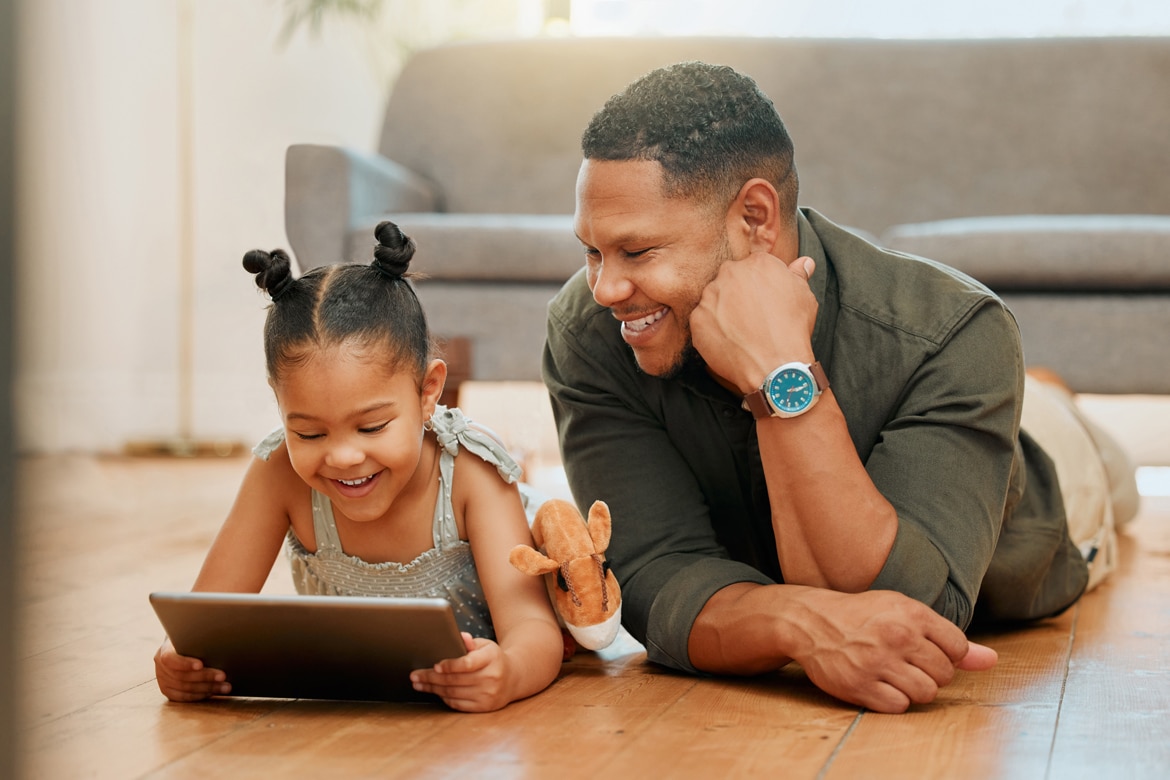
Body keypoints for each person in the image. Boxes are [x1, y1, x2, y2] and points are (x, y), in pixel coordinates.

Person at [542, 61, 1137, 714]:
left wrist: (778, 373)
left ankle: (1049, 398)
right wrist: (796, 622)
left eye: (638, 252)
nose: (606, 290)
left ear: (756, 219)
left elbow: (904, 608)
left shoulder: (955, 332)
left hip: (1045, 501)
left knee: (1091, 455)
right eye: (591, 252)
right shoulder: (589, 329)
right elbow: (657, 578)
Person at [154, 221, 564, 712]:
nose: (343, 457)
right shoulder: (278, 474)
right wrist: (178, 658)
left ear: (428, 390)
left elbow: (533, 629)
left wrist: (510, 671)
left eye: (371, 427)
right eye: (308, 433)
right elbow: (205, 619)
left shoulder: (471, 474)